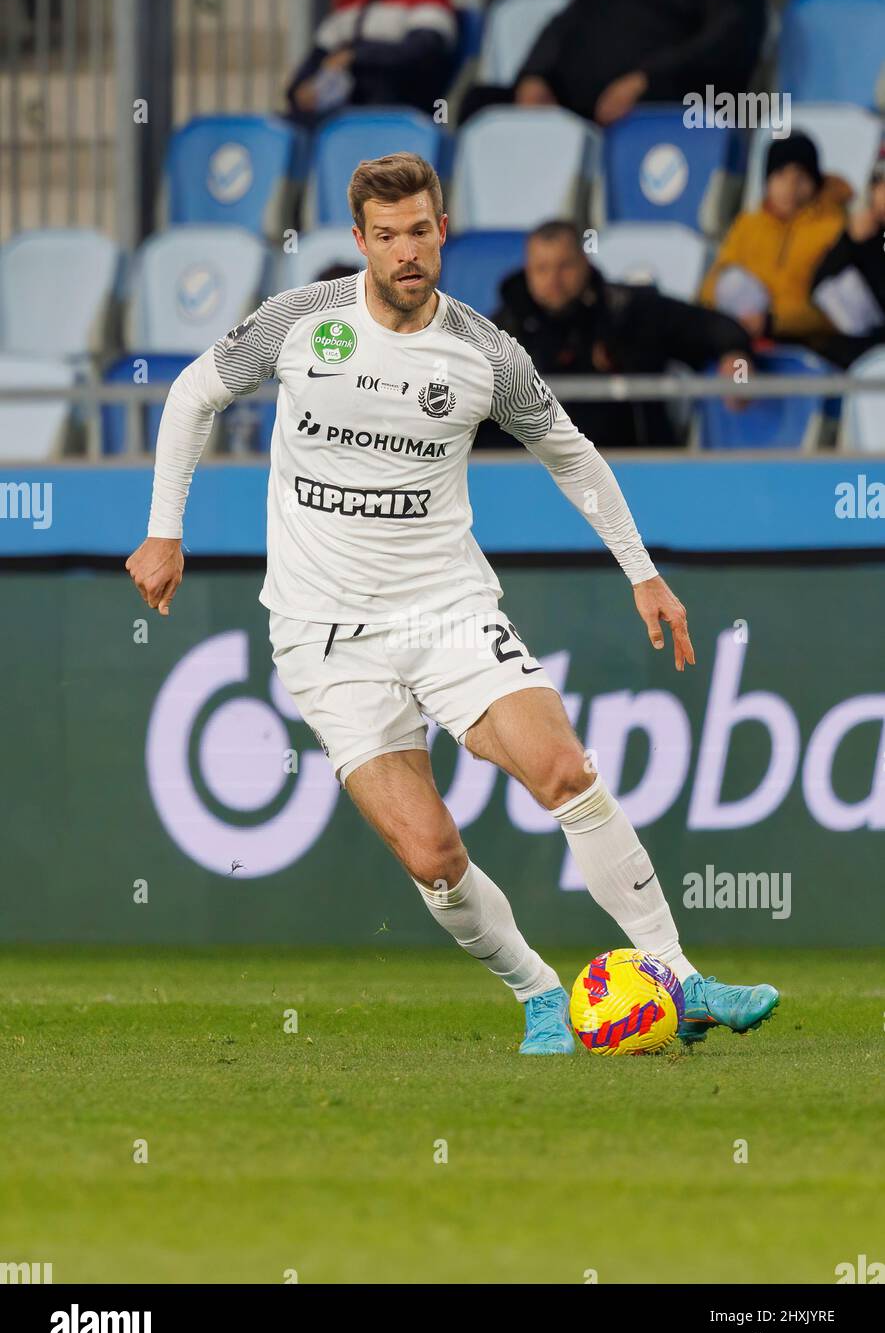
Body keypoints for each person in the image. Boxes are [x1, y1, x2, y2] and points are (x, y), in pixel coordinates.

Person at [126, 152, 778, 1055]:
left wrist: (642, 572)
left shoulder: (483, 351)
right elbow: (195, 391)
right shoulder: (302, 321)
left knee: (564, 771)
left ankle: (679, 975)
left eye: (419, 231)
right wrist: (165, 529)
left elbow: (571, 452)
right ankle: (539, 994)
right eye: (385, 236)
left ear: (444, 231)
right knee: (432, 857)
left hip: (446, 609)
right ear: (359, 241)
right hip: (323, 635)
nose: (405, 251)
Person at [491, 220, 752, 447]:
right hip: (525, 478)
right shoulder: (503, 329)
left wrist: (737, 361)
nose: (554, 280)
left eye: (565, 266)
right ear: (528, 272)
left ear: (585, 261)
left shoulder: (629, 311)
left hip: (633, 472)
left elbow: (719, 328)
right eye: (542, 269)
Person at [460, 0, 766, 127]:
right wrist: (535, 76)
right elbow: (566, 22)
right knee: (479, 104)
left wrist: (645, 81)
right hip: (567, 103)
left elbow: (726, 44)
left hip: (659, 100)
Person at [700, 131, 852, 349]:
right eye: (780, 175)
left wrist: (772, 322)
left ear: (815, 181)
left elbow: (833, 311)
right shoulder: (748, 224)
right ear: (767, 180)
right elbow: (713, 283)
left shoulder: (834, 228)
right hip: (742, 332)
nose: (790, 188)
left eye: (801, 177)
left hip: (803, 341)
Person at [286, 0, 456, 124]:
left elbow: (422, 52)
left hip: (395, 117)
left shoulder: (428, 0)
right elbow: (313, 63)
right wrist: (301, 91)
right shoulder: (347, 11)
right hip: (335, 120)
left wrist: (356, 56)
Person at [811, 149, 885, 368]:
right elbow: (820, 286)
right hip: (860, 352)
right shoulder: (861, 233)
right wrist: (850, 241)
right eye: (879, 184)